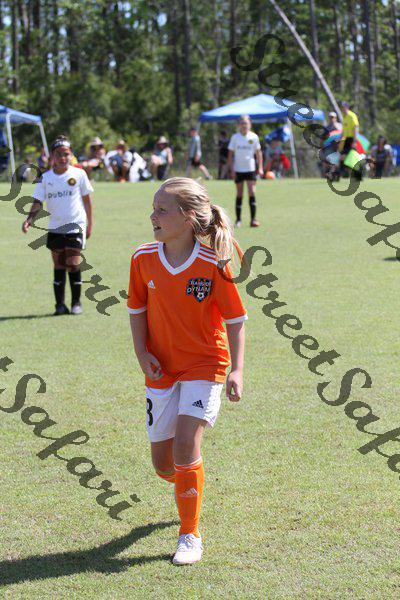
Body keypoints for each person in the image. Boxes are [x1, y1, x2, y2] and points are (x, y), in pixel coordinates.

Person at [127, 177, 247, 565]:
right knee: (163, 464)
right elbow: (137, 310)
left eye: (162, 210)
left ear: (188, 217)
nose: (153, 216)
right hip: (161, 368)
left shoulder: (213, 263)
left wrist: (237, 370)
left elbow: (235, 319)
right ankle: (186, 485)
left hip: (205, 363)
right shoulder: (142, 258)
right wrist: (142, 353)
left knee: (184, 446)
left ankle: (190, 534)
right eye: (153, 208)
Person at [22, 135, 94, 316]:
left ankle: (76, 303)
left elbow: (87, 201)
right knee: (59, 265)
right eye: (59, 154)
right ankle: (59, 305)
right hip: (55, 227)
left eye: (66, 154)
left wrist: (90, 224)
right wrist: (29, 219)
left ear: (71, 155)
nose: (63, 158)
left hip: (76, 226)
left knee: (73, 263)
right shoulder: (45, 178)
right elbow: (38, 201)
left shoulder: (79, 174)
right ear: (52, 156)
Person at [227, 115, 263, 228]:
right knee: (239, 193)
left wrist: (260, 167)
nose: (244, 125)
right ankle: (238, 220)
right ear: (239, 125)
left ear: (250, 124)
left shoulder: (254, 137)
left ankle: (253, 220)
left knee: (252, 192)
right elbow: (230, 154)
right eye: (242, 123)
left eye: (246, 123)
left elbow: (259, 153)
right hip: (238, 170)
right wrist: (231, 169)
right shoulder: (235, 137)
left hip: (250, 169)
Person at [339, 101, 362, 180]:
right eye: (342, 107)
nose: (342, 108)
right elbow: (343, 130)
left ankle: (355, 174)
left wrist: (354, 141)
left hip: (351, 139)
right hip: (346, 139)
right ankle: (344, 173)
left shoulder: (352, 115)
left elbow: (356, 127)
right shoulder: (344, 117)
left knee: (352, 157)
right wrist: (340, 138)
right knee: (345, 157)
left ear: (347, 107)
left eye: (344, 107)